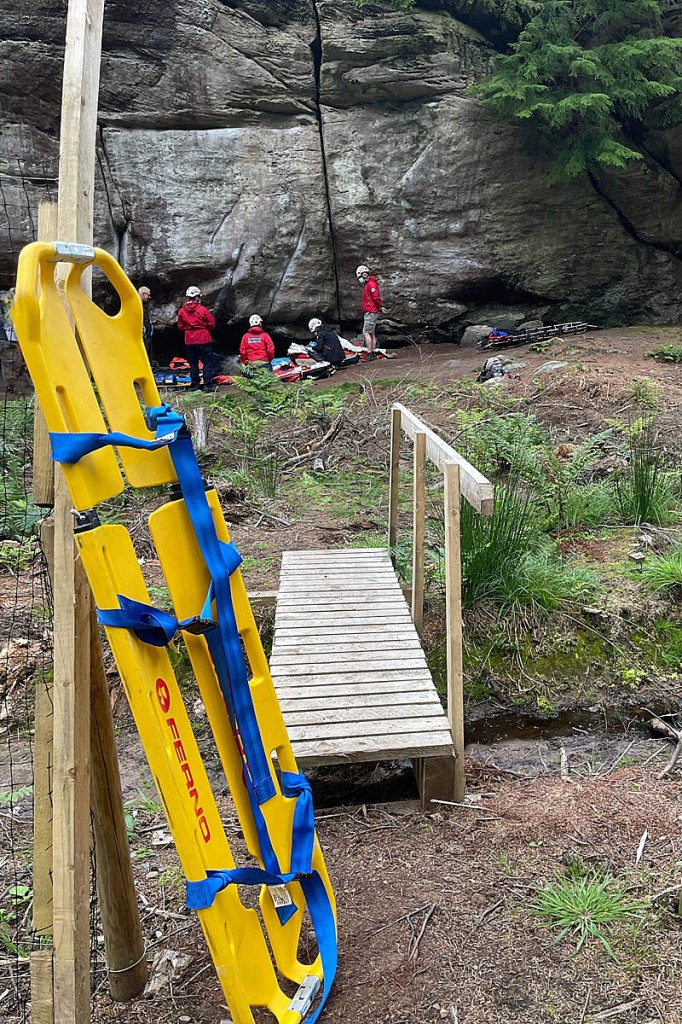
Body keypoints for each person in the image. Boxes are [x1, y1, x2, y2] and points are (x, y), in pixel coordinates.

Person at [177, 286, 221, 390]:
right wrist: (204, 329)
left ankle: (194, 384)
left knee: (193, 363)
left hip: (189, 340)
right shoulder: (202, 310)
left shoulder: (182, 311)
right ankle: (208, 384)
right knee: (207, 362)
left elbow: (180, 326)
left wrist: (189, 329)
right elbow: (212, 323)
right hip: (203, 338)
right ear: (197, 297)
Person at [356, 263, 383, 358]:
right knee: (371, 332)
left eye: (360, 276)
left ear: (364, 274)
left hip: (371, 311)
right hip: (370, 310)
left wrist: (379, 307)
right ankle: (372, 351)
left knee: (366, 332)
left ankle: (370, 352)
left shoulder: (371, 284)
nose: (360, 279)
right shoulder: (368, 284)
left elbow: (376, 298)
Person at [138, 285, 154, 360]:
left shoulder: (143, 305)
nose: (149, 297)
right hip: (142, 336)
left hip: (147, 335)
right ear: (143, 294)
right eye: (148, 295)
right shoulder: (136, 304)